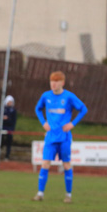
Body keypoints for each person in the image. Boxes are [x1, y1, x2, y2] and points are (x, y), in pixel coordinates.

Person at [33, 71, 88, 203]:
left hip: (64, 137)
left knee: (67, 165)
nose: (54, 83)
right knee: (45, 163)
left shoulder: (68, 97)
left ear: (62, 83)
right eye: (52, 81)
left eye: (57, 81)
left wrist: (72, 124)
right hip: (50, 137)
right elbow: (37, 109)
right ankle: (40, 194)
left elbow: (83, 109)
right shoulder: (46, 96)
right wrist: (43, 123)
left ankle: (68, 195)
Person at [1, 95, 17, 159]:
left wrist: (12, 128)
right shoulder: (3, 109)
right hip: (3, 127)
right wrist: (2, 117)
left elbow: (14, 120)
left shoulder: (13, 110)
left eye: (11, 102)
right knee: (0, 139)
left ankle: (7, 155)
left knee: (9, 141)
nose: (10, 103)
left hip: (10, 128)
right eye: (9, 101)